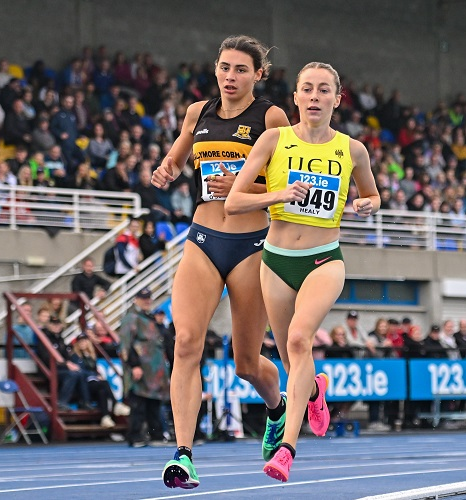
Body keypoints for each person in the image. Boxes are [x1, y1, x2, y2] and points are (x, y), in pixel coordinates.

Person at [225, 61, 379, 482]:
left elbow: (372, 194)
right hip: (275, 260)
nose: (314, 97)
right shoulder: (274, 140)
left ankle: (287, 450)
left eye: (324, 90)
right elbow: (234, 202)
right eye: (307, 89)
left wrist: (369, 204)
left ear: (337, 99)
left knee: (298, 338)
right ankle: (313, 391)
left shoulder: (352, 150)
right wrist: (278, 193)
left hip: (324, 260)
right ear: (294, 97)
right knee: (295, 363)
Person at [153, 35, 289, 489]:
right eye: (224, 68)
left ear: (258, 75)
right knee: (187, 342)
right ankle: (183, 455)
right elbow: (177, 158)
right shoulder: (199, 112)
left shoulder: (271, 117)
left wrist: (242, 187)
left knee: (246, 363)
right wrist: (167, 168)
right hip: (203, 239)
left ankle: (277, 407)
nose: (230, 77)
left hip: (252, 244)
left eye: (241, 70)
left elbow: (285, 187)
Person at [118, 288, 171, 447]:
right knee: (138, 404)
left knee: (153, 404)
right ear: (136, 299)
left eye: (149, 298)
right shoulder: (132, 318)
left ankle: (156, 435)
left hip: (153, 372)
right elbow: (125, 346)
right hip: (140, 369)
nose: (147, 301)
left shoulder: (148, 318)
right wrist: (134, 365)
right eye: (143, 298)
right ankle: (135, 436)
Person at [34, 315, 91, 411]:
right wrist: (66, 364)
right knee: (72, 375)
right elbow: (46, 358)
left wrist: (70, 363)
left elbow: (66, 355)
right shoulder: (44, 338)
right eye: (53, 324)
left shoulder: (60, 339)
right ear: (49, 325)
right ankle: (62, 401)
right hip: (48, 369)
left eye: (58, 324)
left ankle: (85, 401)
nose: (56, 326)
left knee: (80, 373)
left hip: (60, 369)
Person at [69, 333, 119, 428]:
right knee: (104, 383)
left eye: (84, 341)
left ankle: (105, 417)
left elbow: (93, 370)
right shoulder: (74, 356)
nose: (82, 343)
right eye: (80, 341)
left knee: (102, 391)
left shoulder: (91, 356)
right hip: (83, 384)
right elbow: (79, 371)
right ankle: (116, 404)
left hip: (93, 382)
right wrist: (94, 375)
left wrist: (96, 375)